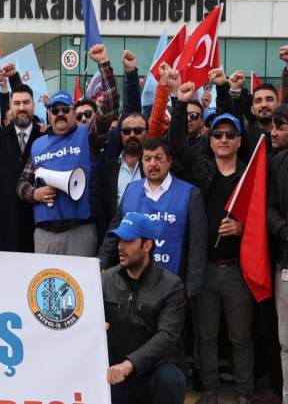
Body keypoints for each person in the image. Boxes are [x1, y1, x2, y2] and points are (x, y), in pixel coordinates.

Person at [170, 82, 254, 404]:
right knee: (205, 337)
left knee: (240, 337)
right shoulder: (200, 169)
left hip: (237, 272)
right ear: (211, 139)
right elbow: (177, 143)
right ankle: (210, 392)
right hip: (204, 269)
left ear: (239, 141)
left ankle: (244, 392)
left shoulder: (249, 177)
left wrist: (242, 228)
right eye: (217, 134)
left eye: (230, 135)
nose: (223, 139)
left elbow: (260, 221)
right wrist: (181, 103)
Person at [16, 44, 118, 257]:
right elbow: (22, 183)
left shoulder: (86, 136)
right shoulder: (38, 144)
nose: (60, 114)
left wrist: (104, 64)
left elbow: (109, 107)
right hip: (45, 233)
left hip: (79, 231)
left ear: (73, 112)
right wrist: (34, 193)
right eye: (55, 110)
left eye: (65, 109)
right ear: (49, 114)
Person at [98, 137, 206, 296]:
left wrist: (193, 284)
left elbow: (198, 243)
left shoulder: (190, 193)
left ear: (169, 162)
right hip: (133, 281)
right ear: (142, 162)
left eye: (158, 158)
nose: (153, 164)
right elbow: (115, 230)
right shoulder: (131, 189)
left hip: (173, 283)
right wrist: (102, 263)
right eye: (147, 159)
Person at [103, 212, 187, 404]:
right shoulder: (105, 280)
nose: (120, 247)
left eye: (128, 241)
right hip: (117, 371)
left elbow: (167, 336)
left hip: (156, 369)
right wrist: (96, 327)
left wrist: (130, 364)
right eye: (119, 240)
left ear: (147, 245)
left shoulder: (172, 286)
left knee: (170, 380)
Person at [0, 84, 43, 253]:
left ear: (33, 105)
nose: (21, 108)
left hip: (38, 226)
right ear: (10, 106)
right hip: (4, 227)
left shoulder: (45, 137)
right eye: (17, 103)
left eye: (26, 102)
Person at [98, 113, 147, 236]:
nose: (132, 135)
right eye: (126, 131)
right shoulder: (108, 169)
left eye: (137, 131)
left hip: (146, 236)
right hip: (115, 235)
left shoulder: (154, 167)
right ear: (120, 134)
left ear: (147, 132)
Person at [268, 104, 288, 403]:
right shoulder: (275, 163)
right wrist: (284, 230)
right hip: (285, 263)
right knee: (286, 343)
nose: (272, 132)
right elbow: (268, 207)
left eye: (280, 126)